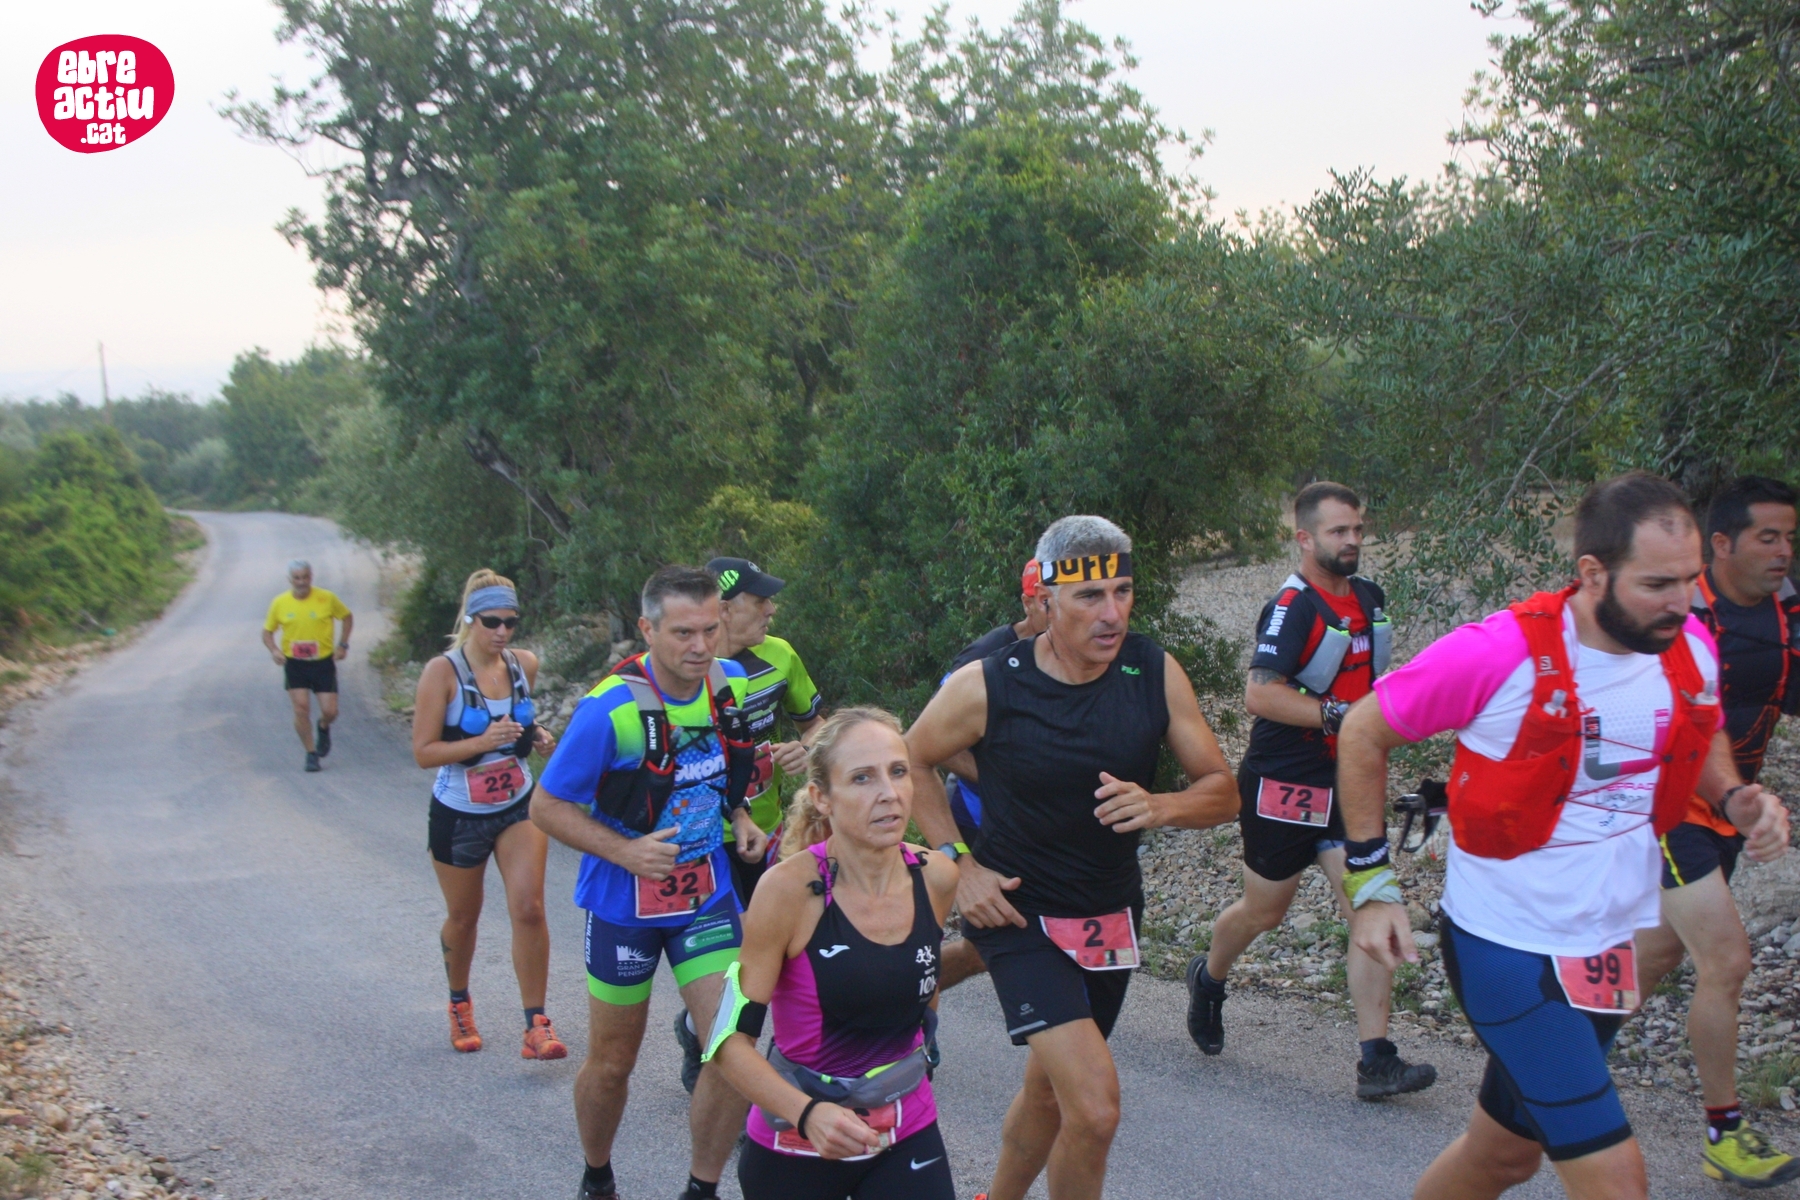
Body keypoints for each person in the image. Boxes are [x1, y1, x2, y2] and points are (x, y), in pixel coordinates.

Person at [1337, 472, 1790, 1200]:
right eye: (1656, 584)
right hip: (1506, 944)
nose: (1681, 603)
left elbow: (1698, 729)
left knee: (1501, 1158)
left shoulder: (1689, 644)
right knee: (1617, 1181)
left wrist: (1733, 796)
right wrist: (1372, 885)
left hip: (1606, 947)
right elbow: (1364, 730)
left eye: (1689, 580)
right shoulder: (1500, 650)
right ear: (1592, 573)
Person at [905, 515, 1239, 1200]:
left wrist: (1161, 805)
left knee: (1051, 1094)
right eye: (1090, 596)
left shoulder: (1152, 671)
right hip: (1018, 911)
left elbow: (1222, 790)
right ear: (1045, 600)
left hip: (1109, 912)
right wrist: (959, 864)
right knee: (1095, 1106)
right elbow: (910, 758)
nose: (1111, 613)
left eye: (1123, 592)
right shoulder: (989, 683)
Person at [1186, 482, 1435, 1098]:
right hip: (1283, 783)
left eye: (1357, 529)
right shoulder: (1292, 606)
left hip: (1349, 784)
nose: (1352, 541)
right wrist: (1340, 716)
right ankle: (1209, 978)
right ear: (1304, 537)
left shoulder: (1370, 598)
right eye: (1337, 531)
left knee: (1369, 907)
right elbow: (1259, 694)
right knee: (1265, 911)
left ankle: (1376, 1059)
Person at [531, 565, 769, 1200]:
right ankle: (598, 1176)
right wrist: (626, 851)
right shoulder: (609, 711)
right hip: (623, 903)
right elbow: (546, 806)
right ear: (647, 629)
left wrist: (740, 816)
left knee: (732, 1044)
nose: (700, 646)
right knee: (613, 1063)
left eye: (710, 630)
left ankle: (701, 1188)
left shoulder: (730, 683)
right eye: (683, 633)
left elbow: (722, 772)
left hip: (705, 895)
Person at [704, 706, 959, 1200]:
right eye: (862, 778)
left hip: (905, 1127)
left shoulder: (936, 877)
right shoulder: (787, 892)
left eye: (898, 771)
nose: (888, 793)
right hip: (798, 1143)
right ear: (822, 797)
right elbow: (726, 1041)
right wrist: (807, 1113)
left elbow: (921, 991)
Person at [1635, 476, 1800, 1187]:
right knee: (1727, 961)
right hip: (1668, 805)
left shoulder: (1788, 612)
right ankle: (1724, 1134)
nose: (1783, 551)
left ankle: (1548, 1053)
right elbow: (1682, 722)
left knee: (1657, 955)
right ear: (1723, 544)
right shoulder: (1680, 614)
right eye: (1769, 537)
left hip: (1732, 811)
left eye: (1791, 538)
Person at [669, 556, 826, 1092]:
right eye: (760, 601)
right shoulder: (681, 672)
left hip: (768, 832)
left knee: (779, 949)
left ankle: (733, 1046)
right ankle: (708, 1043)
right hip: (702, 841)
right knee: (734, 958)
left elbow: (816, 725)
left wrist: (807, 749)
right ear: (724, 609)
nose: (771, 610)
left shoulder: (780, 656)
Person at [411, 570, 563, 1060]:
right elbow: (424, 751)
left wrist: (535, 736)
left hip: (517, 805)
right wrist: (480, 742)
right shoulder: (442, 672)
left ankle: (536, 1024)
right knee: (464, 917)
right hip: (459, 813)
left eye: (510, 622)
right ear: (470, 620)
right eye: (491, 622)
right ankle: (459, 1002)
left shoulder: (524, 664)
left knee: (529, 908)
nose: (502, 632)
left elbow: (519, 723)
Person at [938, 558, 1050, 992]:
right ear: (1027, 603)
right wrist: (1002, 783)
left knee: (1030, 936)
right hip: (978, 814)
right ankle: (896, 1002)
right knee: (986, 947)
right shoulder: (983, 658)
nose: (1058, 612)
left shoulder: (1081, 653)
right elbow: (935, 744)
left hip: (1037, 821)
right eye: (1045, 602)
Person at [262, 559, 353, 772]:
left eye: (305, 577)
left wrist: (343, 645)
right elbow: (267, 632)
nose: (301, 582)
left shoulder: (326, 598)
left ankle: (323, 726)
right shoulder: (280, 602)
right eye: (297, 578)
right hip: (295, 664)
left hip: (322, 663)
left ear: (311, 577)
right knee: (301, 709)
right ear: (290, 580)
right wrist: (274, 650)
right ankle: (311, 754)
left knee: (330, 711)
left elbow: (347, 617)